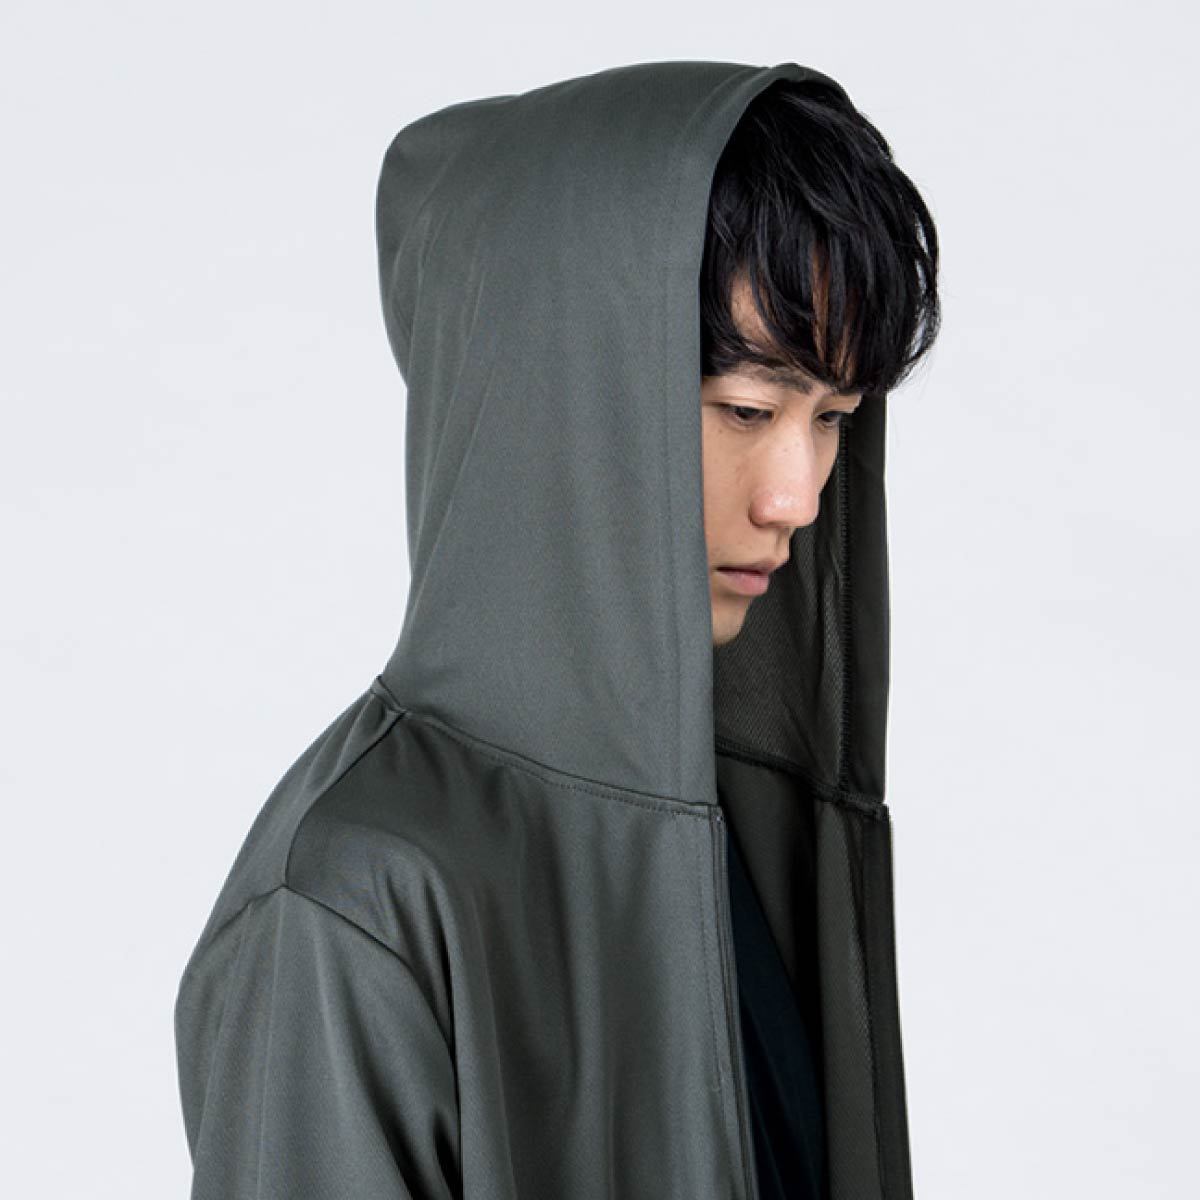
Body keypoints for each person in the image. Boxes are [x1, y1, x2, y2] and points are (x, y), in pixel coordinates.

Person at [173, 59, 940, 1200]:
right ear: (559, 396)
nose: (797, 496)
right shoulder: (345, 907)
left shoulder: (733, 825)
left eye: (832, 418)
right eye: (746, 409)